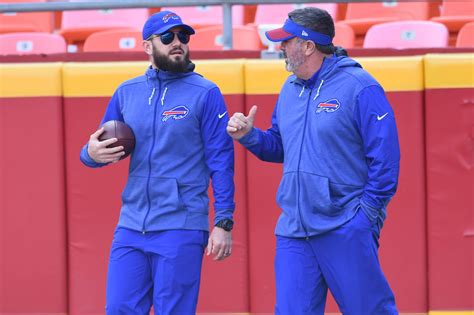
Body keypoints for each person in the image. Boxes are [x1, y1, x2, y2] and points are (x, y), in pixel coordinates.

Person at [227, 7, 400, 315]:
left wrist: (363, 218)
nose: (280, 47)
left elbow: (385, 160)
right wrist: (250, 136)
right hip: (294, 228)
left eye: (286, 41)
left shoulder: (360, 86)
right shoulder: (289, 89)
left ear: (307, 45)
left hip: (344, 225)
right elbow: (280, 148)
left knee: (369, 311)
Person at [80, 10, 235, 315]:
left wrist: (223, 221)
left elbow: (221, 161)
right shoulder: (126, 92)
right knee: (119, 309)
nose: (177, 42)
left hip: (181, 225)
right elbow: (97, 149)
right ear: (148, 46)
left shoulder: (206, 93)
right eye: (167, 37)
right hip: (131, 226)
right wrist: (89, 155)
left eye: (183, 36)